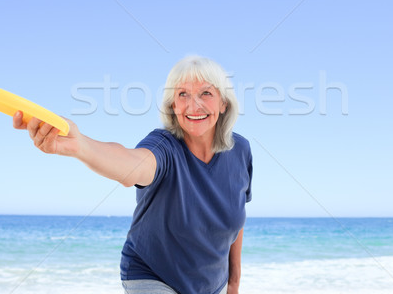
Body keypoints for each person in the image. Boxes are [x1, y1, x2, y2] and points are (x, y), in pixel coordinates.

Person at [13, 55, 253, 294]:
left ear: (224, 104)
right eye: (182, 95)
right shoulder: (163, 146)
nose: (193, 105)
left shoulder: (240, 151)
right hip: (153, 275)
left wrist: (233, 283)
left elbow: (235, 217)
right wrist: (81, 146)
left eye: (206, 93)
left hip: (211, 284)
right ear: (173, 106)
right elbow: (132, 165)